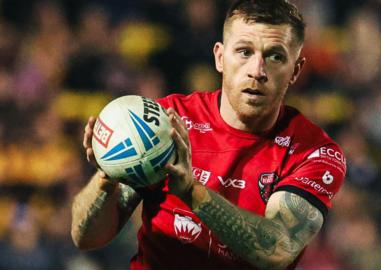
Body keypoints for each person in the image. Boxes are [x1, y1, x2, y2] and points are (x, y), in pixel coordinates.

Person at [71, 1, 346, 269]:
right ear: (219, 57)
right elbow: (85, 237)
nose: (257, 71)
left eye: (275, 56)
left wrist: (192, 193)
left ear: (295, 71)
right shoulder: (167, 124)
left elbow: (276, 249)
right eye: (244, 51)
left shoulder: (314, 152)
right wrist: (107, 177)